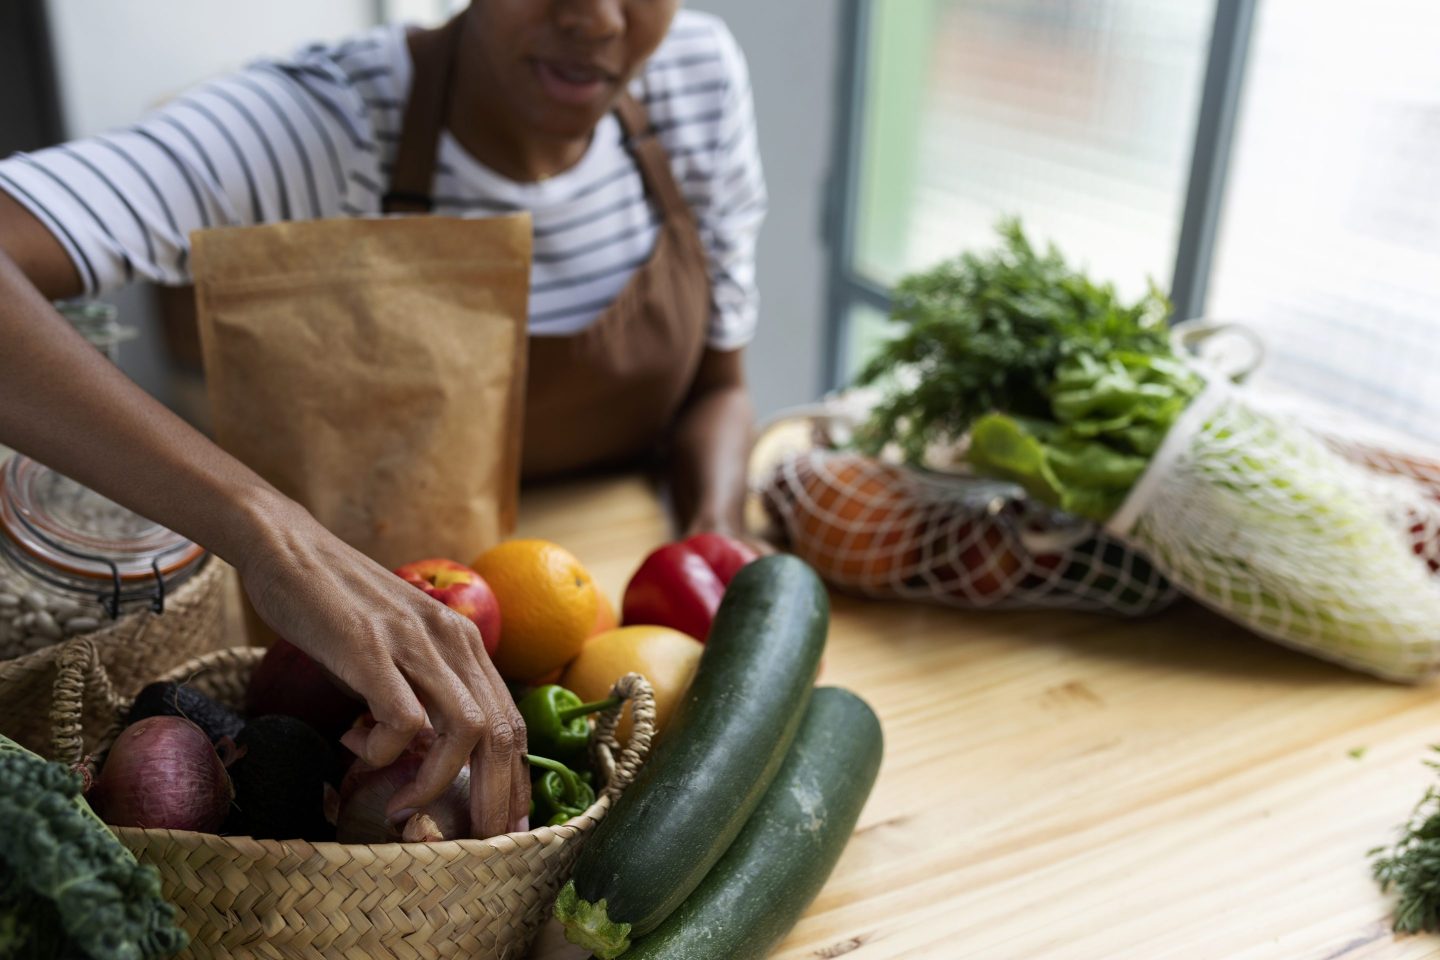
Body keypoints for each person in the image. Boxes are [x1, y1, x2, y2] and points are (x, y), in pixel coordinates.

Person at [0, 0, 765, 835]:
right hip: (344, 678)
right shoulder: (320, 123)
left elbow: (717, 385)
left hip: (608, 632)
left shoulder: (693, 76)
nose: (597, 20)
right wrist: (269, 533)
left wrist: (715, 550)